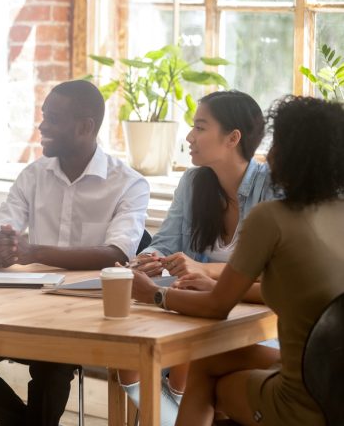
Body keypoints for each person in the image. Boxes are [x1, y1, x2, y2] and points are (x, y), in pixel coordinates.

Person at [0, 80, 150, 426]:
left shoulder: (129, 183)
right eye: (42, 117)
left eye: (52, 119)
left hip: (90, 317)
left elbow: (117, 255)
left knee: (51, 361)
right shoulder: (33, 175)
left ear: (85, 127)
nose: (42, 127)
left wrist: (32, 251)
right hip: (26, 311)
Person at [131, 95, 344, 426]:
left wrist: (154, 294)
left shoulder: (271, 215)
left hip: (307, 396)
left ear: (292, 154)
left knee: (207, 373)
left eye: (278, 145)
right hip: (333, 378)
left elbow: (218, 306)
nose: (269, 154)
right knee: (210, 361)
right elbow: (293, 290)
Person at [117, 90, 276, 423]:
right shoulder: (193, 182)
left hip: (256, 325)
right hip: (196, 314)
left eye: (200, 127)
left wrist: (202, 269)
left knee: (189, 363)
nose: (189, 137)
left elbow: (274, 275)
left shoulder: (272, 189)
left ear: (233, 138)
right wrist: (149, 260)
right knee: (127, 355)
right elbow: (164, 242)